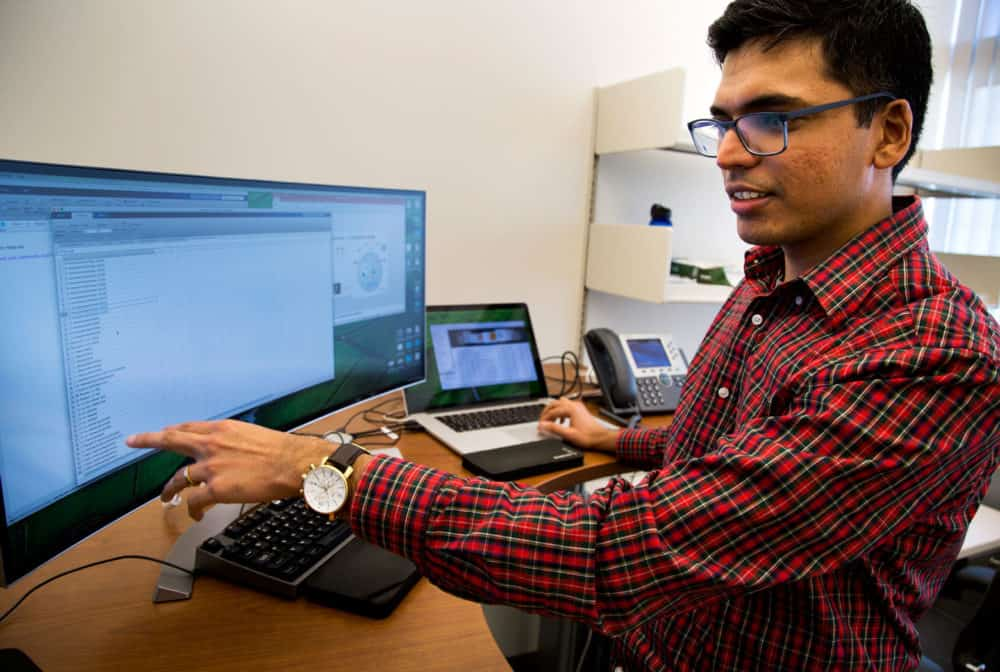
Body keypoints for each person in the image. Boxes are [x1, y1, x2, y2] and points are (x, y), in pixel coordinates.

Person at [127, 0, 1000, 669]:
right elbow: (738, 462)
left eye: (772, 118)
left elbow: (620, 554)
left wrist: (321, 469)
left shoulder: (933, 354)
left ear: (887, 130)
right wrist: (614, 436)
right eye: (723, 122)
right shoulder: (770, 282)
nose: (730, 154)